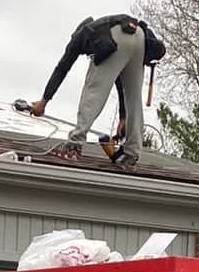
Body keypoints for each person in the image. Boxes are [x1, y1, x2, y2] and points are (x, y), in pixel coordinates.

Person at [29, 13, 165, 169]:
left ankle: (74, 144)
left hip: (117, 36)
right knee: (134, 98)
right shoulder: (101, 27)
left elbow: (62, 69)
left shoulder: (80, 37)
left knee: (94, 91)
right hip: (139, 36)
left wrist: (43, 101)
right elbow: (121, 81)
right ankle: (131, 154)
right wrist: (123, 117)